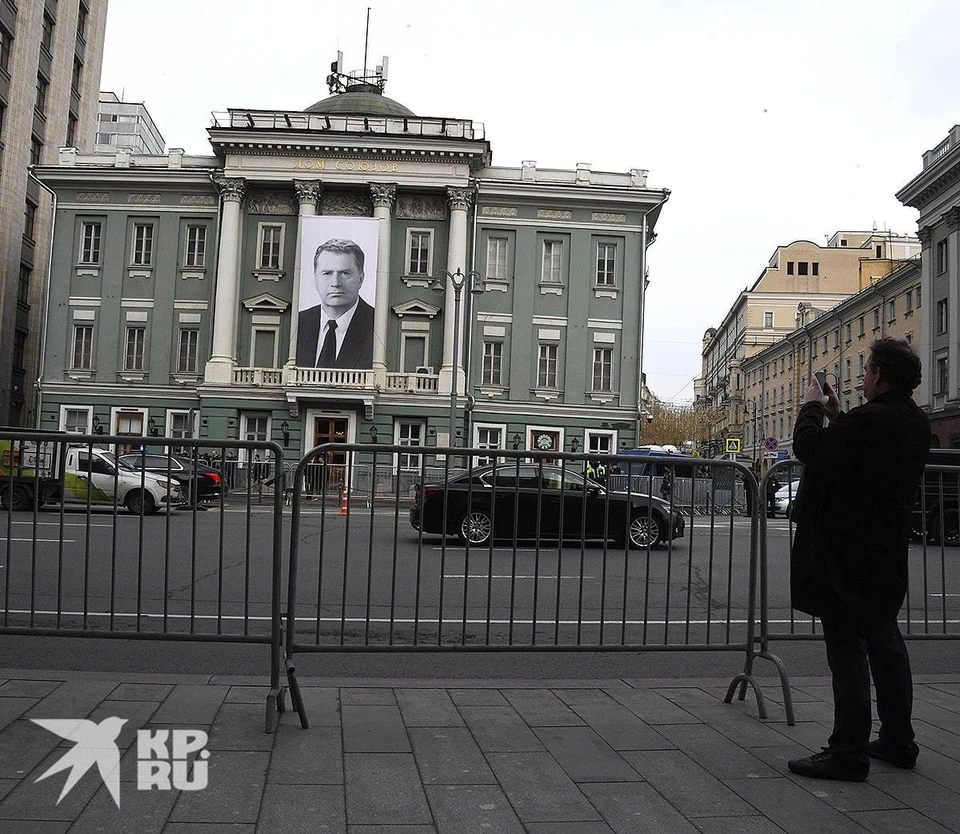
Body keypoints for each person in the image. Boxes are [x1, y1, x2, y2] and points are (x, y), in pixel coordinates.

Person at [787, 338, 930, 782]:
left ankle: (847, 751)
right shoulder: (915, 421)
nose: (863, 376)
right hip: (887, 554)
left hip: (847, 557)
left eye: (867, 369)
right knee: (886, 643)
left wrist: (811, 408)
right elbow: (861, 446)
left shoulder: (869, 422)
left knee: (847, 648)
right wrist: (837, 414)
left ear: (879, 376)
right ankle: (897, 740)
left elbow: (810, 449)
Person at [296, 238, 374, 368]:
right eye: (327, 273)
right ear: (315, 278)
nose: (336, 283)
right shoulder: (299, 322)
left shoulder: (377, 325)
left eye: (345, 273)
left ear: (361, 279)